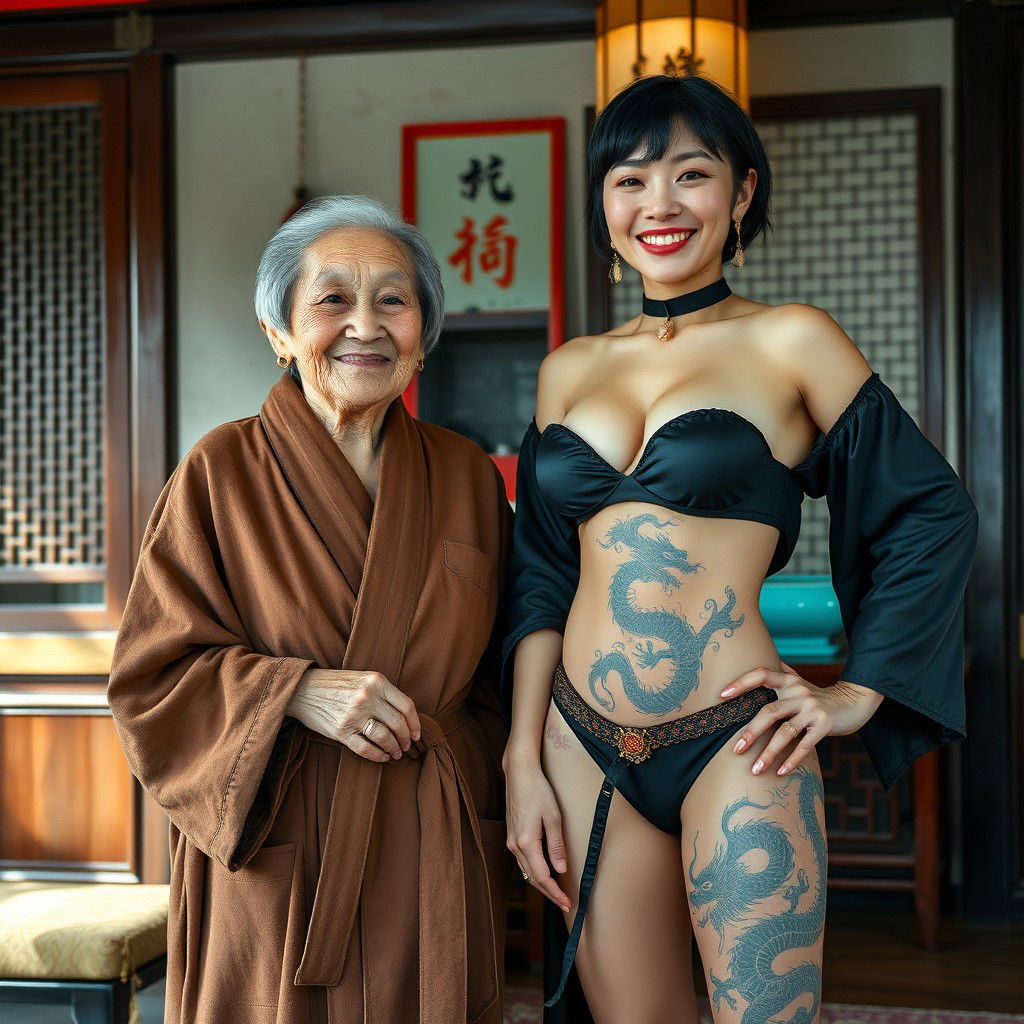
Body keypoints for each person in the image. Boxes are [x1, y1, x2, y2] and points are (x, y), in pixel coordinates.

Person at [501, 75, 978, 1024]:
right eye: (630, 181)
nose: (660, 204)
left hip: (737, 739)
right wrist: (520, 755)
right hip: (578, 744)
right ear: (603, 203)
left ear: (742, 191)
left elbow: (931, 511)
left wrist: (858, 691)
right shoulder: (568, 368)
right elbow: (543, 575)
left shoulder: (792, 340)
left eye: (691, 174)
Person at [108, 195, 512, 1024]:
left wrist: (462, 774)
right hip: (278, 852)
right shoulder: (220, 471)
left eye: (393, 300)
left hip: (425, 842)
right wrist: (293, 691)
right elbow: (151, 679)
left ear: (423, 335)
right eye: (332, 299)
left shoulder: (467, 475)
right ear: (280, 334)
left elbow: (512, 667)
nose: (366, 324)